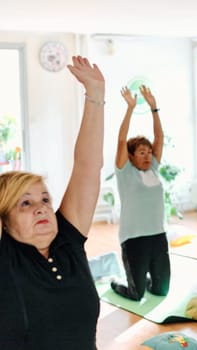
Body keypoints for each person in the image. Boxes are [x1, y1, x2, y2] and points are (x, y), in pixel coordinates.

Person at [0, 56, 105, 349]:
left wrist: (95, 94)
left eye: (45, 199)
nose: (41, 207)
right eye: (24, 203)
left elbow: (87, 167)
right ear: (4, 221)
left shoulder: (68, 242)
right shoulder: (6, 256)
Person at [110, 85, 170, 301]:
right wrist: (130, 109)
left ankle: (140, 275)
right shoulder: (125, 173)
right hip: (134, 238)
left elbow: (159, 137)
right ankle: (117, 282)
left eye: (149, 152)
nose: (147, 156)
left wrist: (154, 108)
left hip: (157, 236)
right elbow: (120, 140)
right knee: (136, 295)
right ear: (131, 156)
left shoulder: (153, 168)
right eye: (141, 152)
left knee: (161, 290)